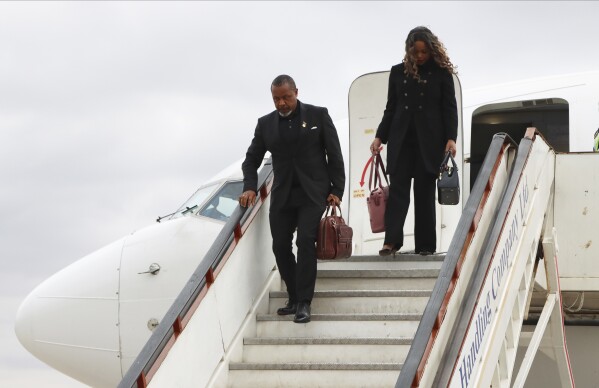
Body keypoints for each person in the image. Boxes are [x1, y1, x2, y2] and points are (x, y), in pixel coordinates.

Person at [239, 75, 345, 323]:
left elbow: (334, 155)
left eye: (286, 97)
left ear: (296, 92)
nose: (282, 103)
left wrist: (337, 190)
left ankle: (305, 302)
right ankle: (294, 296)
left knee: (306, 240)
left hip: (313, 192)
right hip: (284, 194)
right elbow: (251, 160)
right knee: (279, 246)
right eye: (276, 99)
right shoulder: (265, 124)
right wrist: (250, 187)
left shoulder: (318, 115)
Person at [370, 26, 458, 256]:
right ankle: (391, 241)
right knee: (398, 192)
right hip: (401, 140)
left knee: (424, 193)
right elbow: (391, 108)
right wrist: (380, 136)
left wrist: (451, 138)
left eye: (424, 52)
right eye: (415, 51)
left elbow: (449, 108)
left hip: (429, 143)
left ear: (432, 50)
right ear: (408, 50)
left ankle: (426, 246)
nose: (419, 56)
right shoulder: (397, 72)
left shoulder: (442, 73)